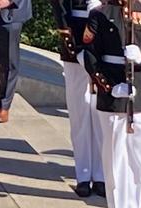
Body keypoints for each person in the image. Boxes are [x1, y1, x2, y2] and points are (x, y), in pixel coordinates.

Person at [83, 0, 141, 208]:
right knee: (114, 153)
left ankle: (135, 207)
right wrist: (108, 87)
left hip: (140, 93)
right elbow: (90, 57)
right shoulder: (100, 14)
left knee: (139, 155)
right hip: (112, 94)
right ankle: (119, 207)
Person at [51, 0, 105, 197]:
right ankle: (83, 175)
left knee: (102, 115)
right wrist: (74, 47)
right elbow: (61, 8)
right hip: (76, 44)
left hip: (105, 49)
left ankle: (101, 175)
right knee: (79, 112)